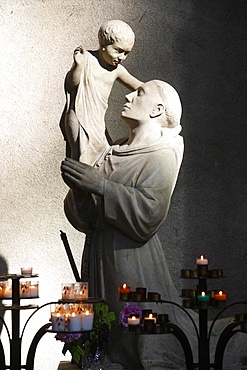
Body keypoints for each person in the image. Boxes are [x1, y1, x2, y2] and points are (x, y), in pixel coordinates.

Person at [61, 80, 194, 369]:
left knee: (138, 339)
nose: (129, 94)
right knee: (107, 338)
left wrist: (101, 186)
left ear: (158, 110)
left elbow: (150, 214)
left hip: (132, 258)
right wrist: (81, 190)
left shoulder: (162, 153)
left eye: (140, 92)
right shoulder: (112, 152)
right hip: (99, 254)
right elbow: (87, 219)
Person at [60, 19, 143, 165]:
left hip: (97, 123)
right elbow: (71, 84)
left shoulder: (117, 70)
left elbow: (139, 86)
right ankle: (77, 187)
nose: (122, 57)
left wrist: (160, 90)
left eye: (126, 53)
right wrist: (78, 66)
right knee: (79, 159)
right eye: (118, 51)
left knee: (103, 160)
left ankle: (85, 187)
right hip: (78, 117)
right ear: (103, 44)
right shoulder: (86, 59)